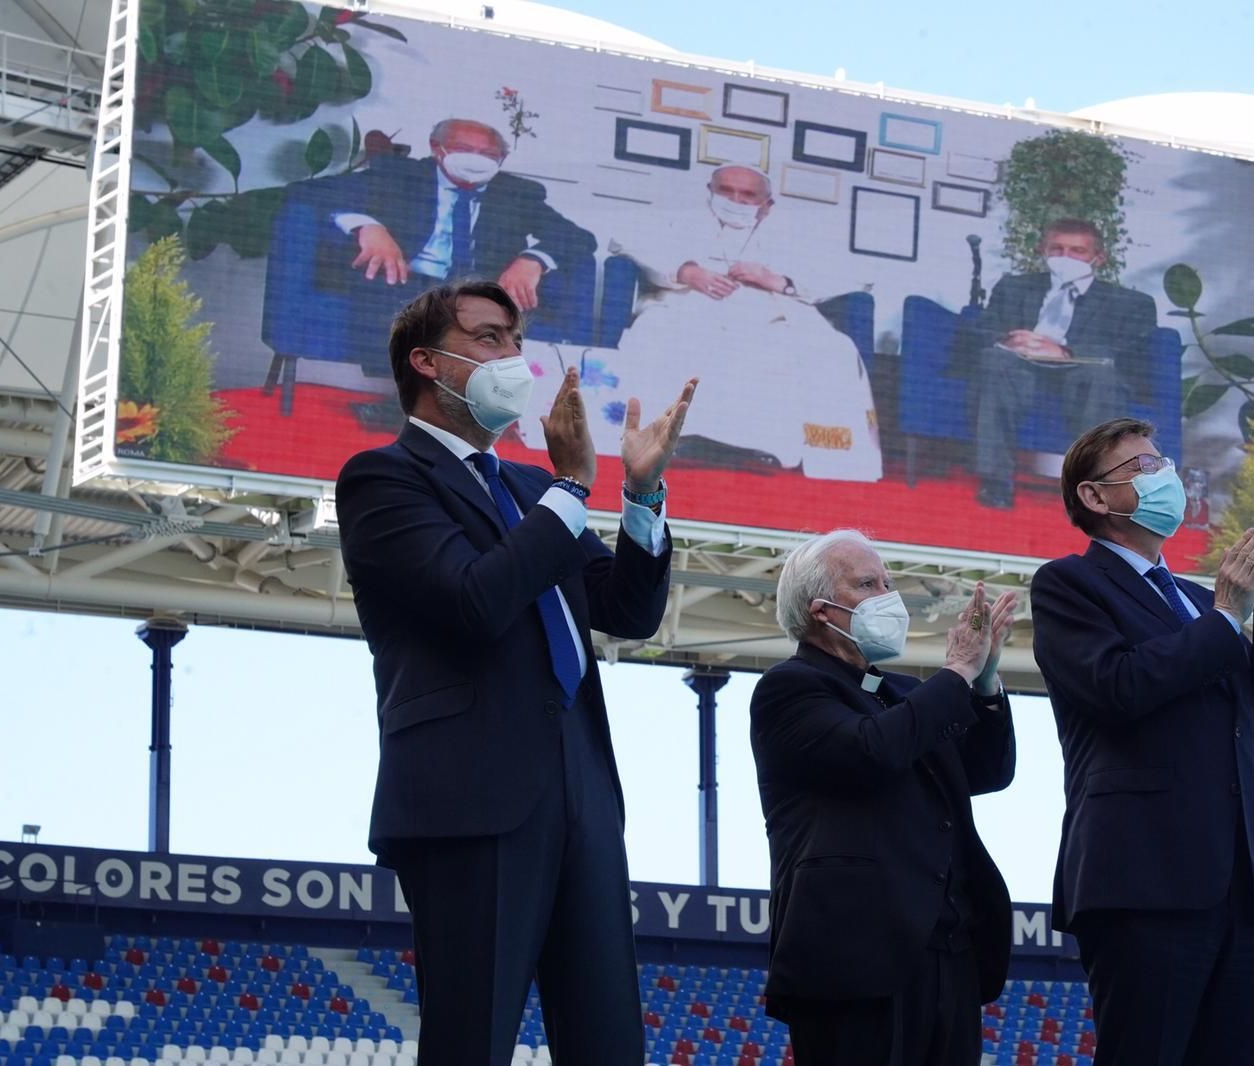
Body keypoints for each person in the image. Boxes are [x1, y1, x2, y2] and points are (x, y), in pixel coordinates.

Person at [335, 280, 697, 1066]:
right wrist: (572, 488)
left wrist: (639, 496)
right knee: (473, 1040)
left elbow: (625, 610)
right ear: (428, 363)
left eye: (515, 339)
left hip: (583, 794)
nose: (514, 358)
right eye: (491, 339)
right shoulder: (383, 480)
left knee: (608, 1042)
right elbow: (473, 600)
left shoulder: (530, 490)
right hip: (469, 798)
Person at [1029, 417, 1254, 1066]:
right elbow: (1117, 687)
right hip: (1144, 878)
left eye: (1163, 461)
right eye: (1143, 467)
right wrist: (1228, 617)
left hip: (1237, 883)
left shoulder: (1200, 601)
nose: (1166, 475)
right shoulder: (1068, 586)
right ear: (1095, 497)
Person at [750, 529, 1019, 1065]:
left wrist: (984, 678)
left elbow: (987, 771)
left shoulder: (907, 694)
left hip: (949, 956)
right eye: (868, 583)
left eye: (888, 581)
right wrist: (958, 671)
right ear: (821, 609)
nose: (888, 596)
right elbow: (870, 752)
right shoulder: (790, 687)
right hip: (856, 959)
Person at [609, 164, 882, 481]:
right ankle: (669, 437)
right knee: (657, 334)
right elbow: (624, 241)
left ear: (767, 204)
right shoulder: (680, 217)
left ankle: (769, 448)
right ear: (710, 191)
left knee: (832, 349)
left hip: (769, 312)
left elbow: (859, 276)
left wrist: (777, 279)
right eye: (726, 191)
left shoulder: (796, 229)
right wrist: (685, 271)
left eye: (747, 194)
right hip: (688, 305)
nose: (735, 199)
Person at [325, 118, 597, 373]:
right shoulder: (401, 174)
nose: (476, 160)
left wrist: (533, 259)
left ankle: (415, 410)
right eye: (464, 149)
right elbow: (317, 192)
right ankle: (419, 405)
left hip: (479, 291)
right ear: (436, 148)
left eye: (488, 155)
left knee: (484, 323)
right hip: (408, 280)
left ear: (502, 159)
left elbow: (579, 237)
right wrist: (368, 227)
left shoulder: (516, 193)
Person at [961, 219, 1158, 509]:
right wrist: (1009, 340)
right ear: (1043, 250)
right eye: (1057, 249)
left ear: (1098, 258)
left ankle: (1089, 487)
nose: (1065, 257)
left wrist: (1064, 350)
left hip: (1082, 369)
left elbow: (1129, 351)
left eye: (1077, 251)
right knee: (993, 360)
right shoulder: (1013, 287)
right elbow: (982, 329)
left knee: (1101, 375)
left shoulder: (1130, 302)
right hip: (1021, 366)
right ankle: (995, 482)